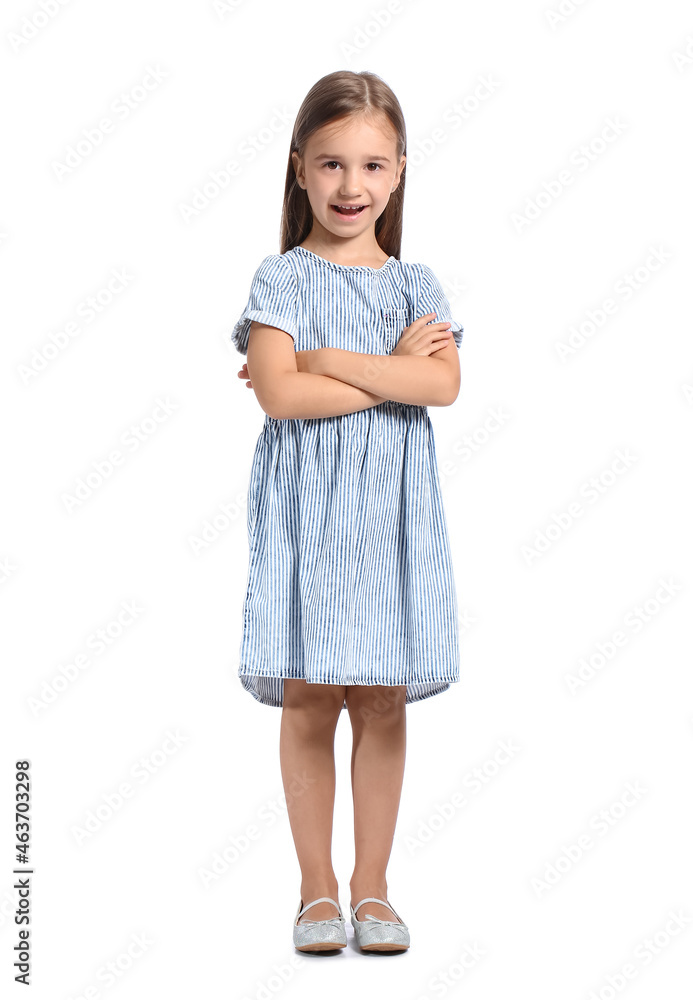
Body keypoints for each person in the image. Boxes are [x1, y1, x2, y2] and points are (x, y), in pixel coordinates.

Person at [230, 70, 464, 953]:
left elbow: (439, 382)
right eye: (330, 164)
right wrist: (378, 370)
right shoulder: (279, 276)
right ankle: (316, 888)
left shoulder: (416, 284)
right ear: (299, 170)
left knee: (379, 699)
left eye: (370, 165)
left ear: (399, 171)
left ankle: (373, 886)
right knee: (309, 696)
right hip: (306, 516)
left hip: (389, 519)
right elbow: (280, 401)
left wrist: (325, 359)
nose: (350, 186)